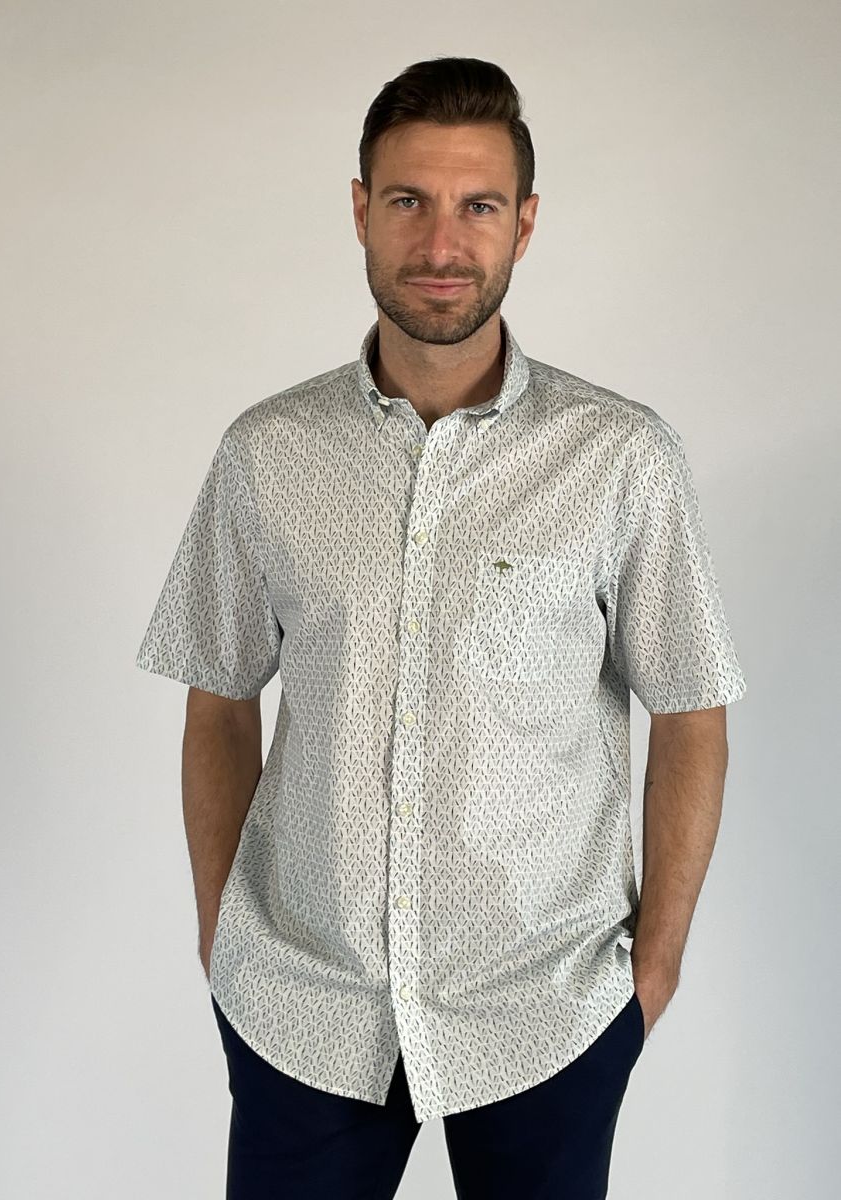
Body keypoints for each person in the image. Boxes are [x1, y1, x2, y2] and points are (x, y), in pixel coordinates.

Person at [135, 55, 747, 1200]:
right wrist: (225, 939)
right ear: (360, 208)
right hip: (302, 1007)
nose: (441, 243)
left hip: (547, 1010)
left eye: (478, 206)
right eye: (409, 200)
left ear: (525, 223)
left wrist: (651, 973)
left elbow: (691, 710)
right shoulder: (267, 452)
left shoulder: (619, 457)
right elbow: (218, 695)